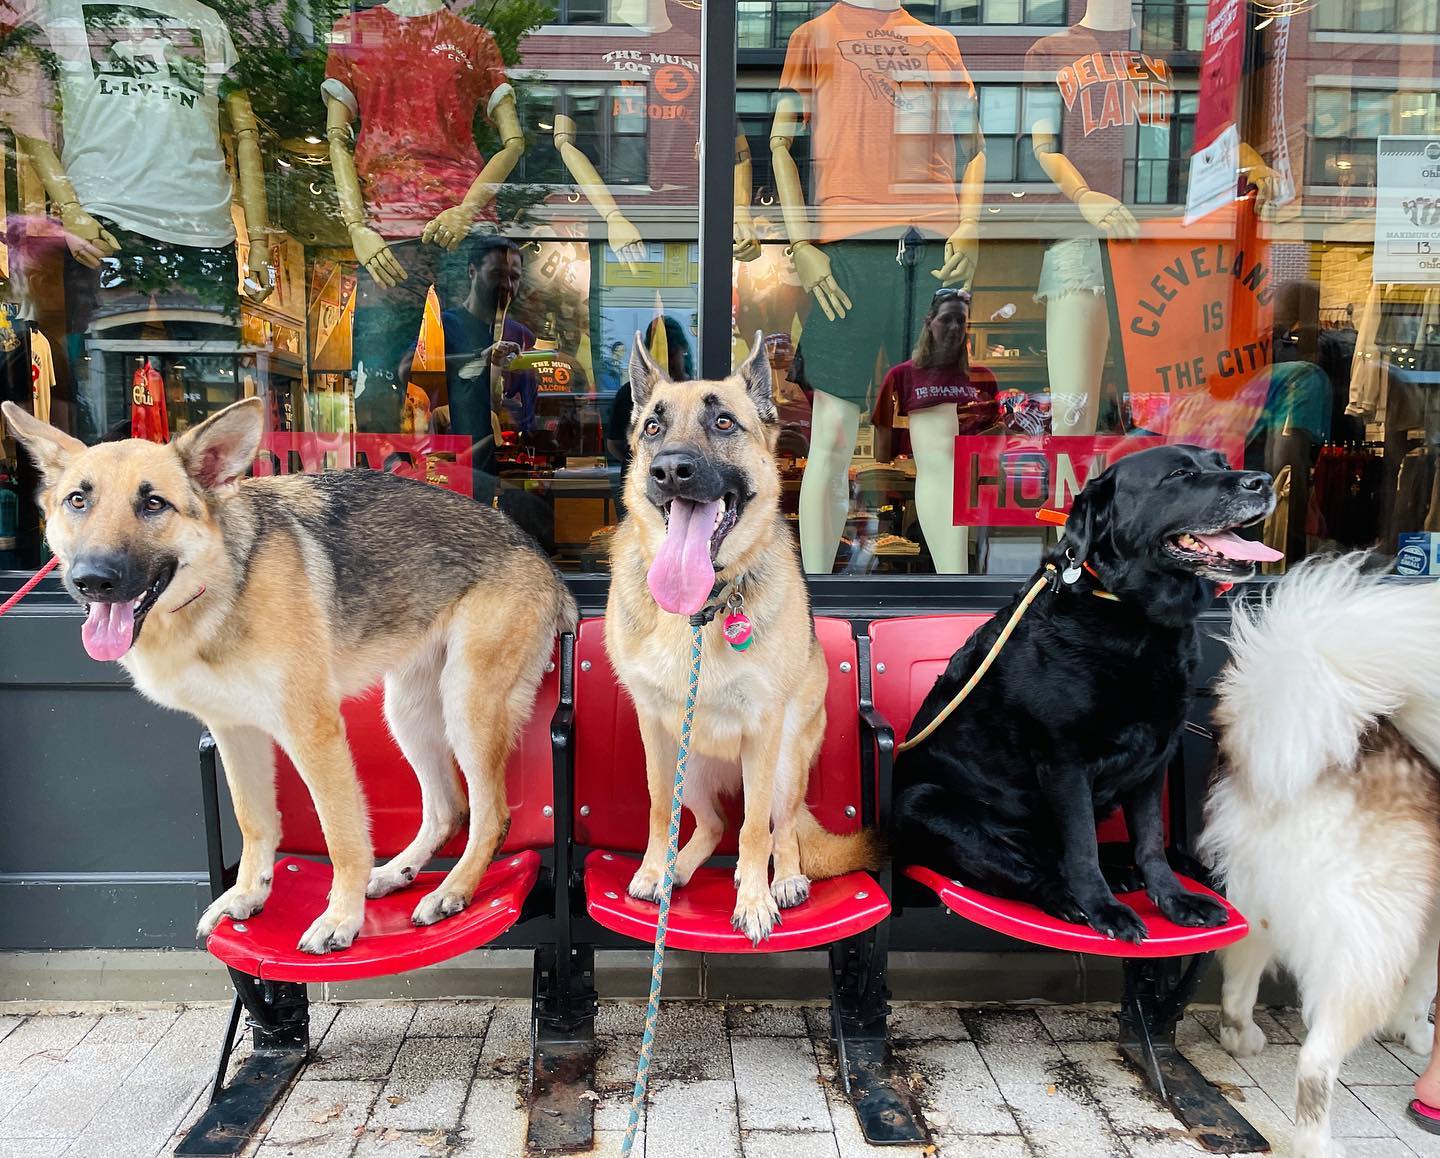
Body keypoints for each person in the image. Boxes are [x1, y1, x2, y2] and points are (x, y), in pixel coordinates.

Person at [402, 235, 534, 498]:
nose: (506, 285)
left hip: (497, 471)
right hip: (450, 471)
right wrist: (481, 358)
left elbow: (513, 405)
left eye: (514, 277)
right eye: (497, 273)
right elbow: (407, 370)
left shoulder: (518, 333)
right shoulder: (446, 324)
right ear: (472, 272)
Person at [605, 315, 693, 517]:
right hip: (644, 486)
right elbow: (614, 443)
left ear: (683, 351)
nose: (667, 361)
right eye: (660, 354)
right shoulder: (629, 393)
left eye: (672, 353)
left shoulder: (696, 391)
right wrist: (642, 458)